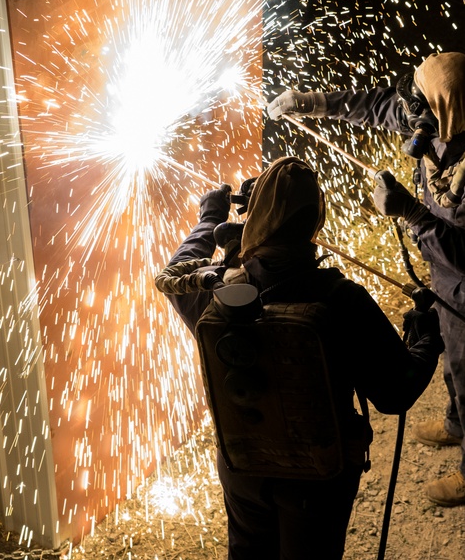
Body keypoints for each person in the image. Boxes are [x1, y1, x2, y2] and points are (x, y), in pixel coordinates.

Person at [266, 52, 465, 507]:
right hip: (450, 275)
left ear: (446, 107)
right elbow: (374, 105)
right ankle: (458, 424)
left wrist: (409, 210)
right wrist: (307, 101)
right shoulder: (434, 114)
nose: (410, 113)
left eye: (420, 104)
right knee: (453, 354)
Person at [158, 156, 444, 560]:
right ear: (315, 221)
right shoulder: (342, 300)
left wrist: (209, 218)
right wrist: (426, 337)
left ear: (253, 218)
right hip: (318, 478)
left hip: (243, 467)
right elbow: (395, 394)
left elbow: (175, 275)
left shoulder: (219, 292)